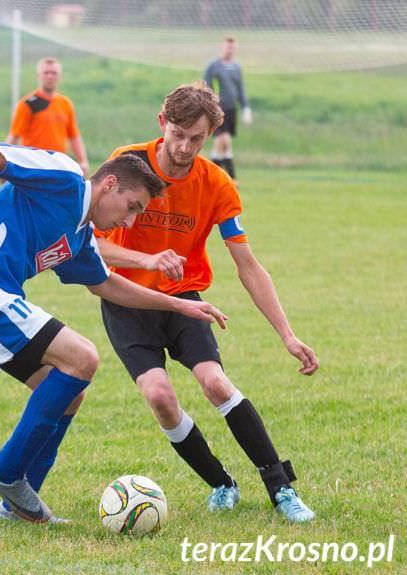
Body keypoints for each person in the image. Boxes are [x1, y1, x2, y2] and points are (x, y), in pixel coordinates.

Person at [0, 140, 227, 523]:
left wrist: (179, 305)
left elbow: (105, 284)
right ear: (109, 184)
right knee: (82, 357)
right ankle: (5, 472)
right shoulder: (64, 177)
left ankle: (17, 507)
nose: (129, 222)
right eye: (131, 206)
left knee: (70, 393)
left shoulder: (79, 237)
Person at [96, 82, 319, 523]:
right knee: (159, 396)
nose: (184, 147)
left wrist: (288, 335)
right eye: (177, 134)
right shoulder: (126, 165)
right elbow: (92, 243)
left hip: (184, 298)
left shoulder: (216, 183)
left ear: (211, 134)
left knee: (215, 383)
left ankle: (281, 488)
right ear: (162, 123)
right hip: (127, 299)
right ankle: (221, 483)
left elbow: (248, 265)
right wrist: (147, 260)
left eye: (195, 138)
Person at [7, 57, 89, 175]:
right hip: (34, 164)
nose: (50, 76)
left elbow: (74, 136)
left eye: (54, 73)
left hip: (59, 164)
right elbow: (14, 136)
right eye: (46, 73)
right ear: (38, 76)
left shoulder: (65, 103)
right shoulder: (28, 103)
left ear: (59, 77)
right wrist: (7, 163)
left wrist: (83, 161)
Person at [203, 37, 252, 181]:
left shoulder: (236, 67)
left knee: (221, 145)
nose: (230, 50)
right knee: (223, 140)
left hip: (231, 110)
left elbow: (240, 89)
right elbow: (206, 85)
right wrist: (211, 101)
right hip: (217, 110)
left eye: (233, 48)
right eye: (228, 47)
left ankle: (211, 178)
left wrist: (246, 108)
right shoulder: (214, 66)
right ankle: (231, 177)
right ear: (222, 47)